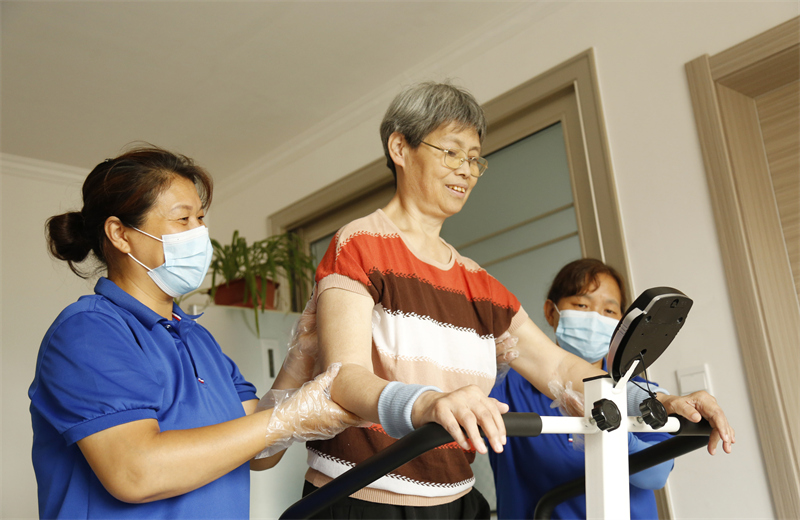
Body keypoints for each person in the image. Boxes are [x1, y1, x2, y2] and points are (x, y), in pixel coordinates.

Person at [301, 81, 735, 519]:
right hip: (362, 494)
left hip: (453, 499)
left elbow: (562, 369)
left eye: (474, 158)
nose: (467, 170)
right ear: (399, 147)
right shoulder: (360, 244)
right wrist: (429, 403)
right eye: (451, 152)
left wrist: (657, 402)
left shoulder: (479, 284)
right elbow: (343, 377)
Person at [28, 147, 362, 519]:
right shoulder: (88, 332)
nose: (199, 233)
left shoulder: (197, 339)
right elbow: (135, 471)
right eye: (182, 219)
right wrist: (286, 418)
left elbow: (259, 450)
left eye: (200, 218)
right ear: (120, 234)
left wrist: (301, 356)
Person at [490, 258, 676, 519]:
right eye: (581, 305)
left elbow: (656, 475)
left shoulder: (639, 392)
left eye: (609, 311)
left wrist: (618, 436)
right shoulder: (506, 384)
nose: (595, 318)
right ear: (550, 312)